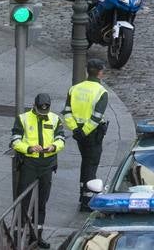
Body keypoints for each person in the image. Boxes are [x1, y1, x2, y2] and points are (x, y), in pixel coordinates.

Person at [11, 93, 66, 248]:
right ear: (34, 105)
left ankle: (36, 236)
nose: (43, 112)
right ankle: (18, 236)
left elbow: (61, 139)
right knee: (24, 201)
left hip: (47, 165)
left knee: (42, 202)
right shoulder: (23, 118)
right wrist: (28, 148)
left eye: (46, 110)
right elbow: (15, 141)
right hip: (29, 164)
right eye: (41, 110)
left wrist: (54, 147)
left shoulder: (55, 119)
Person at [63, 59, 109, 210]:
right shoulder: (101, 92)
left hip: (79, 134)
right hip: (92, 134)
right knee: (91, 165)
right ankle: (87, 200)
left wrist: (76, 130)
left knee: (85, 162)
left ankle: (82, 193)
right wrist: (84, 131)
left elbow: (67, 112)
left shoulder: (75, 88)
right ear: (100, 73)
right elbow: (96, 117)